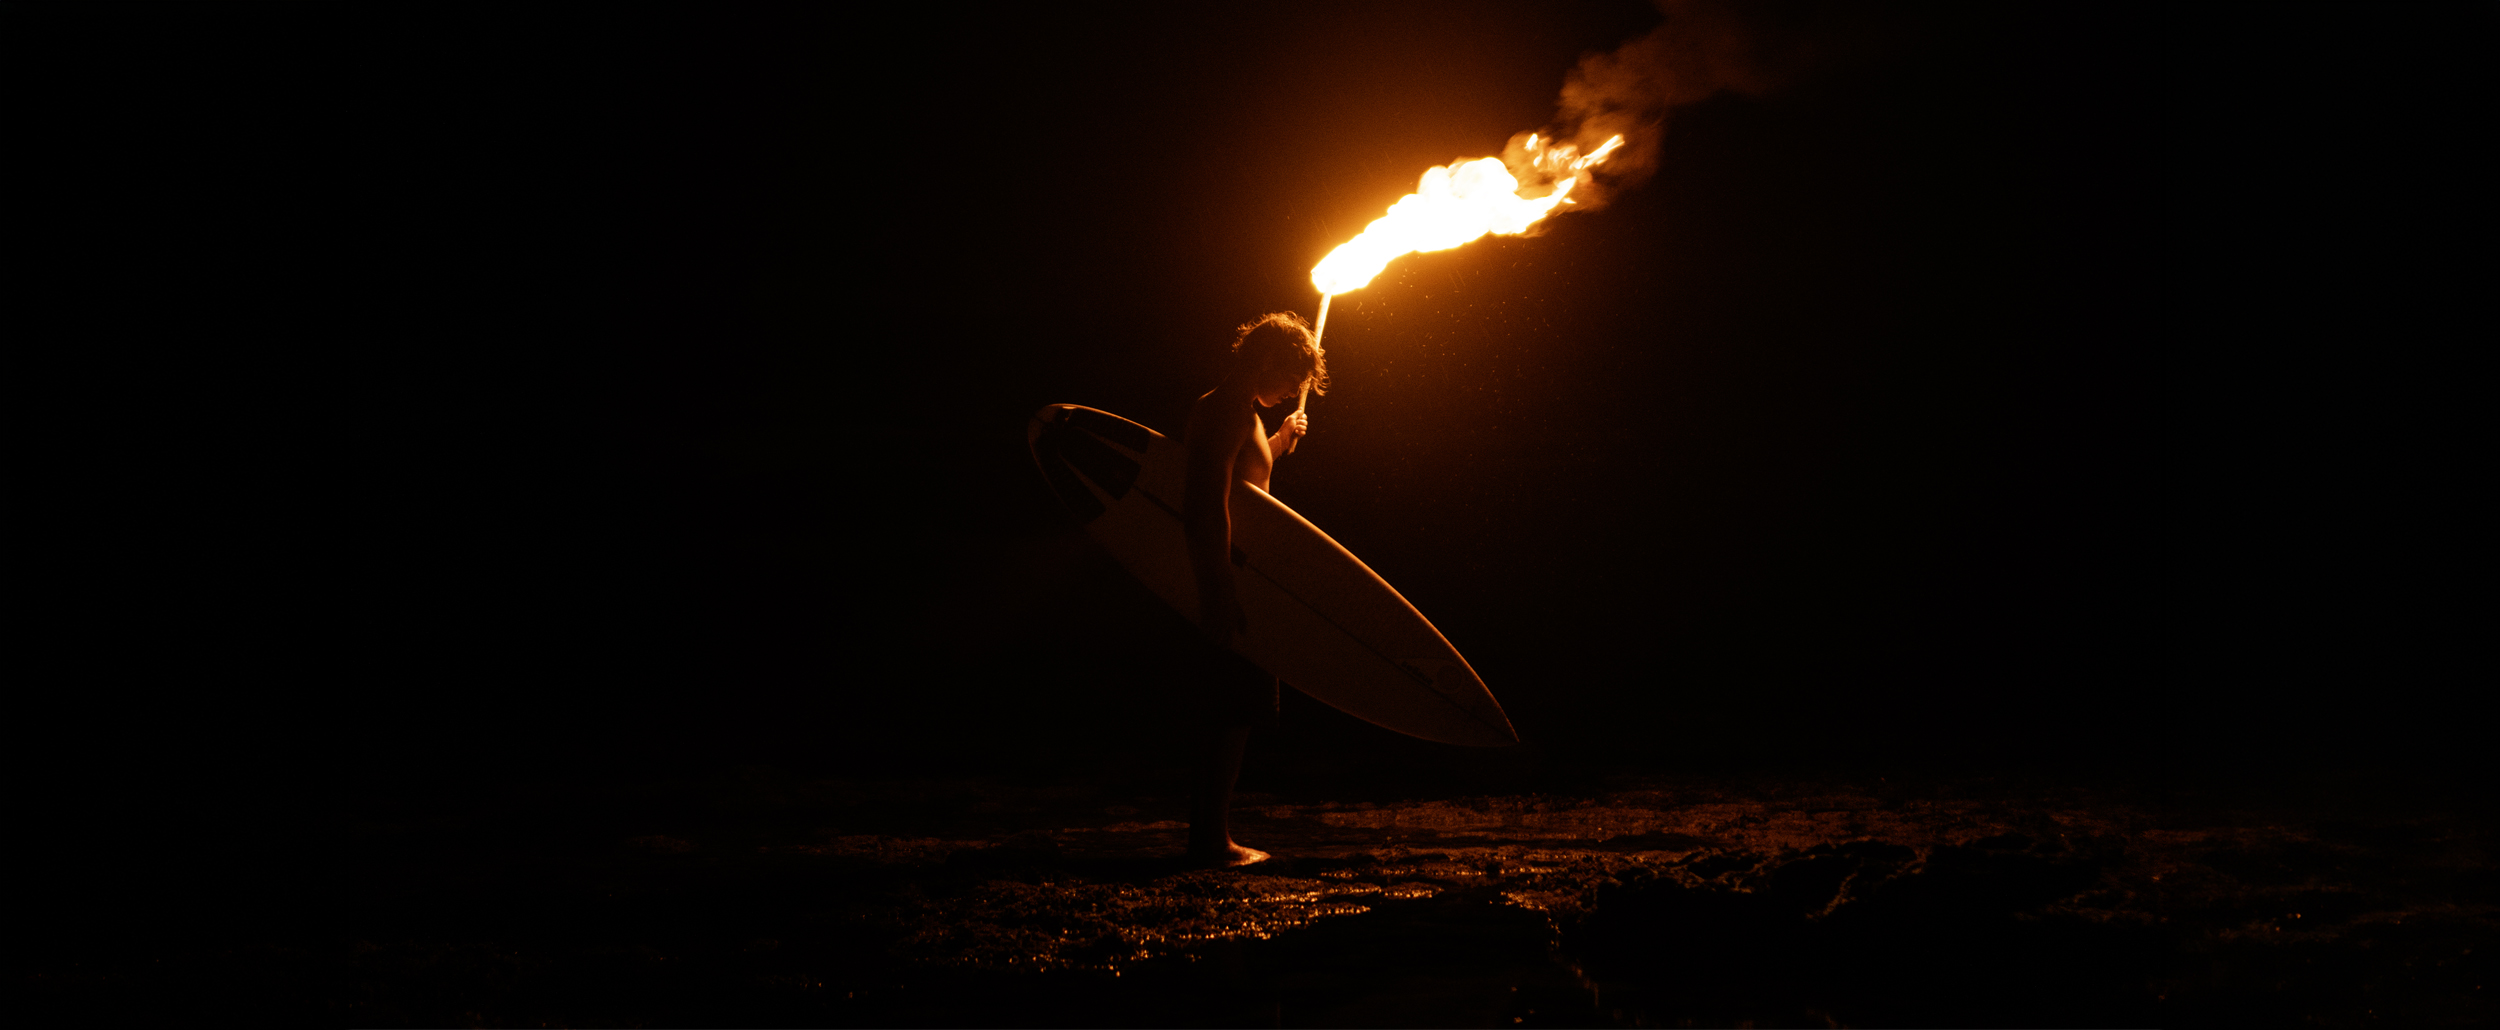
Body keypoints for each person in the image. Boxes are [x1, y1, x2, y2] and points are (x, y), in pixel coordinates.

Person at [1179, 311, 1326, 867]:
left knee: (1237, 709)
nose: (1295, 390)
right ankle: (1210, 842)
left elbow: (1247, 485)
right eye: (1293, 377)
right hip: (1227, 575)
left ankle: (1212, 835)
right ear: (1266, 361)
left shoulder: (1246, 413)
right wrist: (1216, 591)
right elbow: (1205, 505)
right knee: (1228, 709)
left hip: (1240, 575)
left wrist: (1282, 440)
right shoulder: (1223, 410)